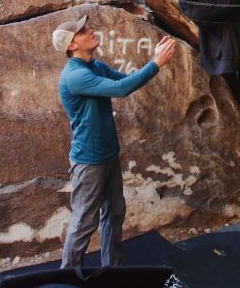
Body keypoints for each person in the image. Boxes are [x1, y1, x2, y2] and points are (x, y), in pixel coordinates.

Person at [52, 14, 177, 268]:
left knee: (115, 213)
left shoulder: (95, 66)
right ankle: (67, 274)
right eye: (82, 31)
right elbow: (121, 90)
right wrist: (156, 62)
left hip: (108, 155)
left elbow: (123, 81)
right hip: (88, 161)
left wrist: (152, 60)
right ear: (71, 46)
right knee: (85, 221)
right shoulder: (74, 76)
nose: (90, 31)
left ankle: (113, 269)